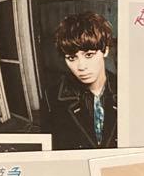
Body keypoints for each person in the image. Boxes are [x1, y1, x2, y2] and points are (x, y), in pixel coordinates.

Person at [47, 11, 117, 150]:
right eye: (72, 58)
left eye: (89, 55)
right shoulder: (51, 97)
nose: (81, 66)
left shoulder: (130, 90)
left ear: (105, 50)